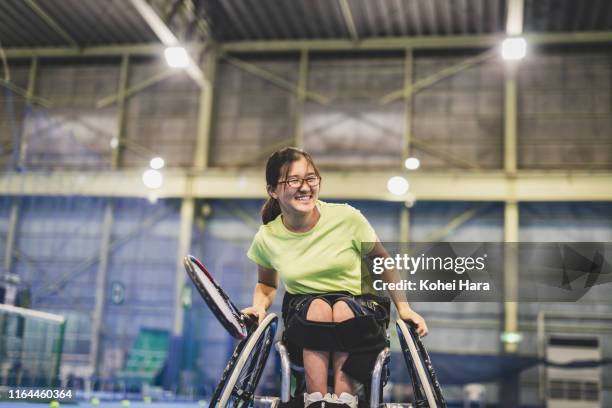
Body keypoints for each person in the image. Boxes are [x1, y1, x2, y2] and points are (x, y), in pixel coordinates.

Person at [242, 147, 427, 408]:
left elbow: (384, 261)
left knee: (341, 308)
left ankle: (345, 399)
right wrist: (259, 307)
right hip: (302, 317)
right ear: (273, 190)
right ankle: (315, 399)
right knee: (317, 307)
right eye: (293, 180)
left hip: (359, 311)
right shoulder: (267, 237)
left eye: (311, 178)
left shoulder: (347, 218)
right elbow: (266, 283)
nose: (305, 187)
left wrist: (404, 308)